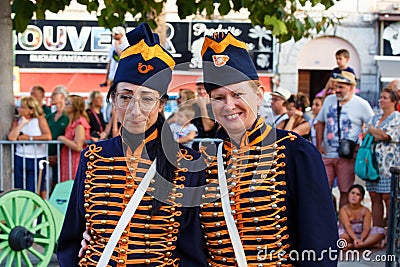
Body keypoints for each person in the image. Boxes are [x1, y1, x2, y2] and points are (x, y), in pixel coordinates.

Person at [57, 22, 208, 267]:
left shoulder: (188, 164)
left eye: (147, 98)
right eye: (126, 97)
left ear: (161, 105)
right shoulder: (94, 157)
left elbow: (192, 250)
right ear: (113, 100)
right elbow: (72, 238)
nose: (135, 110)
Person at [199, 31, 338, 266]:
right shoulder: (205, 162)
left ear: (259, 95)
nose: (229, 105)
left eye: (237, 94)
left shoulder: (295, 152)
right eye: (219, 97)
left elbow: (319, 243)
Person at [316, 71, 374, 208]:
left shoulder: (362, 104)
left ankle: (342, 223)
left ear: (351, 87)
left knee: (345, 190)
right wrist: (319, 144)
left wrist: (362, 146)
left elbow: (372, 126)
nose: (337, 90)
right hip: (327, 154)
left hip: (347, 155)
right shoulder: (329, 100)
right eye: (336, 87)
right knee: (323, 189)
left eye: (341, 87)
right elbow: (320, 122)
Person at [365, 87, 400, 237]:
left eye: (385, 98)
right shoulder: (374, 118)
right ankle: (377, 232)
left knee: (388, 198)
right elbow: (367, 131)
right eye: (381, 97)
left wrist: (373, 131)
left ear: (393, 101)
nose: (381, 100)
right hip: (372, 164)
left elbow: (387, 136)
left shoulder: (397, 118)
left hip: (389, 164)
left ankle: (391, 232)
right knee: (374, 196)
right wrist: (374, 132)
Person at [8, 96, 51, 197]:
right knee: (19, 188)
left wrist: (30, 138)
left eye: (23, 107)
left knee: (34, 189)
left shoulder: (40, 119)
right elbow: (11, 137)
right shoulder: (17, 121)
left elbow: (48, 136)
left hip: (37, 157)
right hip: (20, 156)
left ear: (31, 110)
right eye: (19, 107)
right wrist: (21, 124)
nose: (19, 109)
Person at [338, 185, 384, 250]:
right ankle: (362, 244)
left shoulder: (366, 211)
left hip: (362, 235)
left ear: (361, 198)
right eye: (352, 193)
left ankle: (359, 245)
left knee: (380, 232)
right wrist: (355, 238)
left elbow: (366, 228)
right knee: (343, 237)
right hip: (348, 234)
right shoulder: (343, 209)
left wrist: (360, 239)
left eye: (358, 194)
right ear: (348, 195)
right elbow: (347, 226)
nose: (354, 196)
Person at [58, 95, 91, 182]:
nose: (65, 104)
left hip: (75, 162)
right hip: (69, 161)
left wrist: (62, 139)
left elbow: (78, 146)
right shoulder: (72, 121)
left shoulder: (79, 123)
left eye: (68, 103)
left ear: (75, 106)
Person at [46, 85, 70, 187]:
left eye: (54, 94)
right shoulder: (49, 116)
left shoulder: (69, 116)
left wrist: (58, 156)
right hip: (48, 156)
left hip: (63, 156)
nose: (51, 96)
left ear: (62, 96)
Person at [191, 77, 219, 151]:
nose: (202, 91)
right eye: (199, 89)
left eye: (204, 89)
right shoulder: (193, 105)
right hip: (195, 145)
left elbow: (207, 127)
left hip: (212, 145)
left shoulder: (215, 105)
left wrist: (203, 107)